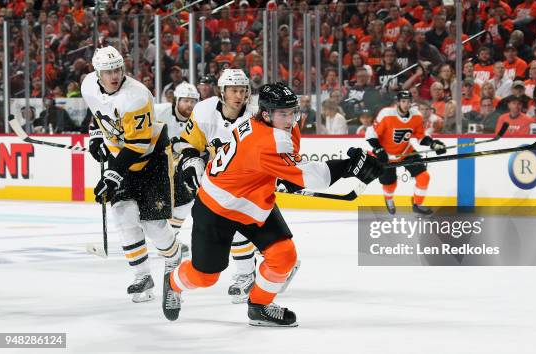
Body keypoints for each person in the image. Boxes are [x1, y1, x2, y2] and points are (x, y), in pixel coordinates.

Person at [163, 82, 382, 326]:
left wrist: (287, 176)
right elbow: (313, 177)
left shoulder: (271, 125)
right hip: (218, 206)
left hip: (254, 200)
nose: (290, 119)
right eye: (283, 114)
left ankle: (259, 306)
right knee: (205, 276)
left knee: (283, 255)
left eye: (292, 112)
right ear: (266, 114)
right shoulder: (268, 139)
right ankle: (173, 282)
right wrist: (349, 166)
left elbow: (289, 165)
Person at [82, 46, 182, 303]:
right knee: (123, 215)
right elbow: (97, 114)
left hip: (151, 161)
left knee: (154, 226)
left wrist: (112, 175)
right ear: (97, 74)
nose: (114, 75)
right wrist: (95, 137)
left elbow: (137, 145)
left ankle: (174, 257)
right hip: (122, 159)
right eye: (108, 71)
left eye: (117, 69)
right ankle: (142, 276)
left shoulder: (136, 96)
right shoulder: (88, 86)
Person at [173, 68, 262, 304]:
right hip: (220, 182)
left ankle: (248, 273)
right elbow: (189, 144)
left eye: (243, 90)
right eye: (233, 90)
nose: (239, 95)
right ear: (222, 92)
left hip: (250, 181)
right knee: (233, 228)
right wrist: (192, 160)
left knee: (242, 227)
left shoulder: (256, 116)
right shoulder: (204, 110)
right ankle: (254, 271)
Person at [366, 90, 446, 215]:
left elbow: (421, 137)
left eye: (409, 101)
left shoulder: (416, 116)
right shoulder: (386, 114)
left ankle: (418, 204)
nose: (406, 104)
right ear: (398, 102)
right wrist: (378, 149)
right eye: (403, 101)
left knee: (424, 177)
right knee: (389, 184)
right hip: (386, 154)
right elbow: (371, 133)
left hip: (406, 152)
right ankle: (389, 199)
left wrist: (433, 144)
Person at [154, 82, 199, 248]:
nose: (190, 104)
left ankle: (171, 240)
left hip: (178, 168)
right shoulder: (160, 111)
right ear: (177, 100)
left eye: (193, 101)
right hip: (154, 165)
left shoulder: (198, 119)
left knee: (185, 203)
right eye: (186, 100)